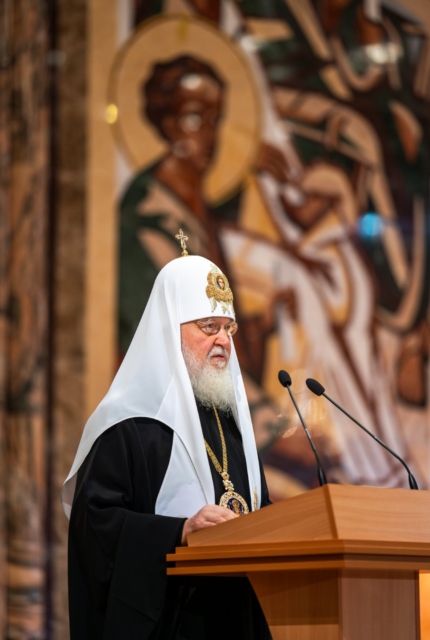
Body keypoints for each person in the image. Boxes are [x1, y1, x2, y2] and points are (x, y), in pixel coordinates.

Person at [63, 253, 271, 639]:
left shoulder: (232, 427)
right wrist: (178, 532)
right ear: (169, 331)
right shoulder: (127, 425)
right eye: (209, 326)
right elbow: (95, 528)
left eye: (228, 328)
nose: (223, 341)